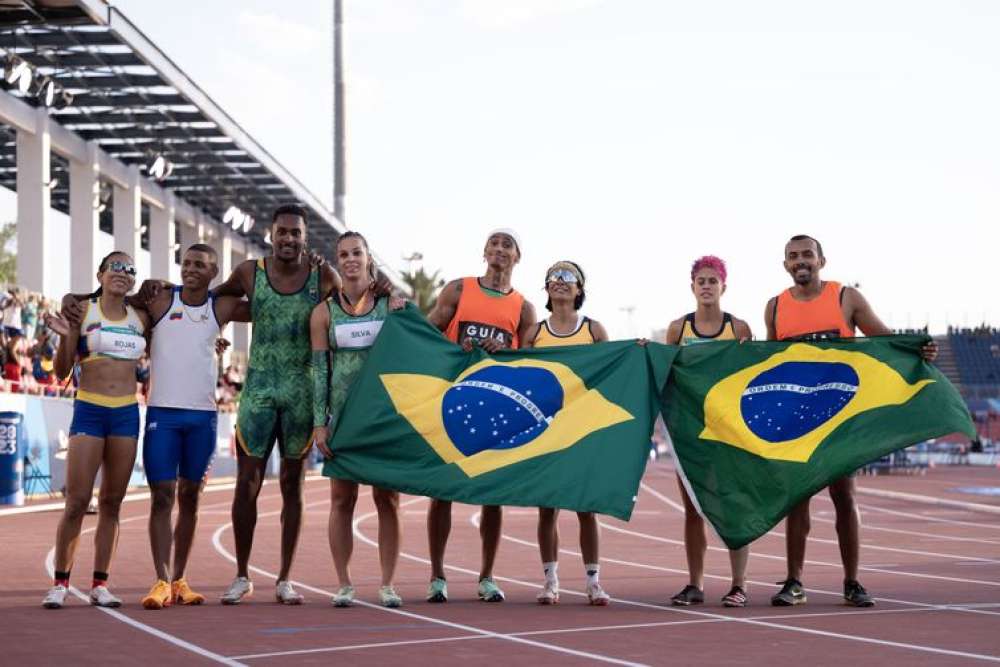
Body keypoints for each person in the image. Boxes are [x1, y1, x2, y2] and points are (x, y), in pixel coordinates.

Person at [764, 234, 938, 608]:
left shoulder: (845, 298)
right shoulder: (775, 307)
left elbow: (886, 340)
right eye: (793, 257)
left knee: (844, 495)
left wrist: (918, 349)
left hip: (841, 415)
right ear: (785, 265)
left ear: (822, 261)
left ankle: (852, 582)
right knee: (797, 500)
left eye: (807, 254)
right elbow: (766, 363)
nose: (800, 261)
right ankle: (794, 581)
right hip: (798, 420)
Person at [134, 244, 251, 610]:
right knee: (161, 497)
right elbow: (120, 301)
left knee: (190, 498)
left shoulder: (222, 306)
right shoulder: (160, 300)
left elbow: (269, 304)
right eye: (186, 263)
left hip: (202, 416)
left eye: (200, 265)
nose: (191, 269)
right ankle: (160, 580)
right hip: (162, 415)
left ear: (214, 272)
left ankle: (180, 579)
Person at [424, 229, 537, 603]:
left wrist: (502, 349)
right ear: (484, 251)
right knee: (441, 492)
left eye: (508, 245)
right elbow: (425, 334)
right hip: (453, 402)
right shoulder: (458, 290)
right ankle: (437, 576)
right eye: (494, 243)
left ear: (517, 257)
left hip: (496, 409)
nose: (499, 250)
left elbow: (529, 360)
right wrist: (457, 347)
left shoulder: (523, 308)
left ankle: (487, 576)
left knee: (493, 496)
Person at [42, 251, 150, 609]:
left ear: (134, 280)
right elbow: (60, 372)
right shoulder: (81, 311)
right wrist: (68, 335)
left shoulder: (141, 318)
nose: (123, 272)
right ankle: (60, 583)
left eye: (129, 269)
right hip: (89, 409)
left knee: (112, 504)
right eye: (115, 267)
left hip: (125, 414)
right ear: (101, 274)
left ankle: (100, 584)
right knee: (76, 502)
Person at [309, 232, 403, 608]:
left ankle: (388, 584)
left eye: (357, 253)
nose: (350, 259)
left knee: (388, 500)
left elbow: (414, 345)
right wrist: (320, 422)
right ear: (337, 261)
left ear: (368, 258)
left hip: (383, 416)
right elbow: (319, 370)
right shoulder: (323, 313)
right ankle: (344, 583)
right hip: (343, 416)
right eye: (343, 254)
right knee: (342, 500)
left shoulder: (390, 305)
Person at [665, 255, 753, 608]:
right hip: (690, 431)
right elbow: (664, 373)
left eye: (712, 280)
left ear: (723, 287)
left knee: (734, 505)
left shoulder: (739, 328)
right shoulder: (678, 329)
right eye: (700, 280)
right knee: (692, 509)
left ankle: (738, 584)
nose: (706, 286)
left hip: (730, 432)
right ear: (692, 287)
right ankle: (695, 584)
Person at [523, 261, 611, 606]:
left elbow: (614, 372)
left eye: (567, 277)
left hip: (582, 431)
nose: (559, 281)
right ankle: (550, 581)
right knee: (548, 509)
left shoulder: (595, 330)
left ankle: (593, 582)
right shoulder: (534, 333)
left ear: (579, 289)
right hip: (546, 431)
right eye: (553, 277)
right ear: (546, 289)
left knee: (586, 508)